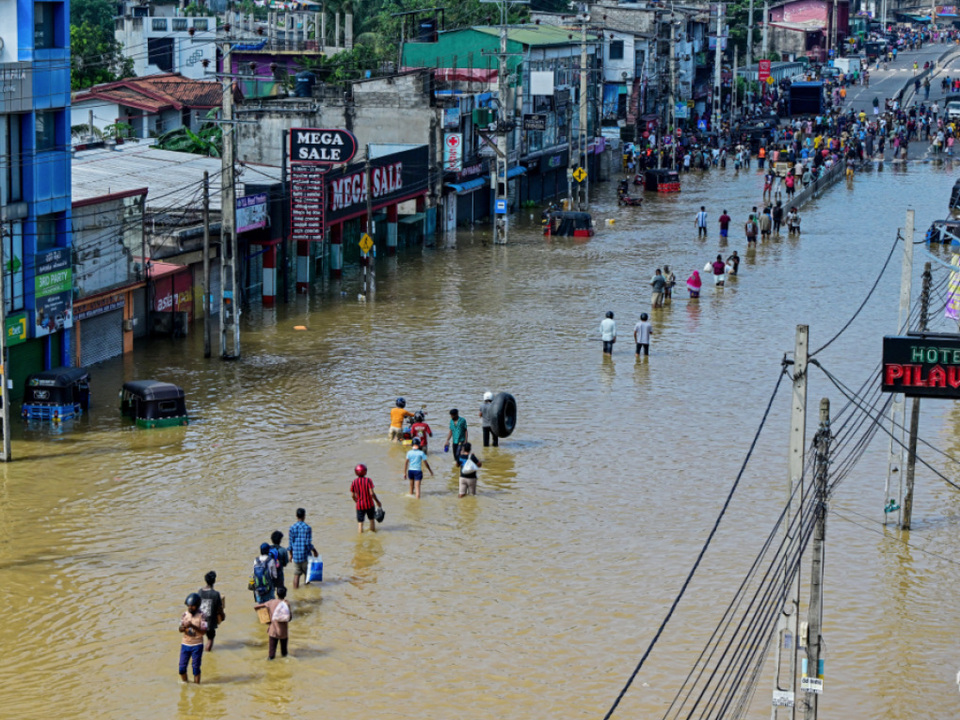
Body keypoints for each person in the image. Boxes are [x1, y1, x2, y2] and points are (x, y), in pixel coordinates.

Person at [255, 586, 292, 660]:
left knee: (271, 655)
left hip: (273, 630)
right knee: (284, 654)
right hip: (283, 632)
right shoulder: (286, 603)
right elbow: (290, 618)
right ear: (285, 594)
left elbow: (257, 607)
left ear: (277, 593)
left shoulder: (271, 602)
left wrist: (266, 620)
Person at [178, 593, 207, 684]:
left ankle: (196, 687)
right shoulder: (185, 615)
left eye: (192, 606)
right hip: (185, 644)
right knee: (181, 669)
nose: (190, 608)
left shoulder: (202, 616)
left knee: (195, 668)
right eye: (189, 606)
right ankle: (185, 684)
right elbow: (180, 628)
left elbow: (203, 632)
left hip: (197, 645)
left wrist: (192, 626)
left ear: (197, 605)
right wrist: (182, 628)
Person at [288, 507, 318, 589]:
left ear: (296, 516)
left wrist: (291, 555)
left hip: (296, 555)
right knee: (307, 573)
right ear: (304, 516)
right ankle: (307, 590)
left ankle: (296, 591)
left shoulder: (292, 528)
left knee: (297, 574)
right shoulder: (307, 528)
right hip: (305, 555)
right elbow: (308, 543)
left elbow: (290, 543)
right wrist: (314, 551)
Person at [197, 571, 225, 652]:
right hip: (210, 621)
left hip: (200, 619)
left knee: (199, 638)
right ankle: (208, 652)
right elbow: (220, 608)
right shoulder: (215, 594)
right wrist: (222, 616)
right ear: (214, 581)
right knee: (210, 638)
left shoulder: (200, 592)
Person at [350, 463, 382, 534]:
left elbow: (352, 495)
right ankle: (372, 534)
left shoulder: (354, 482)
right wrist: (377, 501)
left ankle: (360, 537)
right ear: (365, 471)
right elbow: (372, 493)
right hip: (369, 504)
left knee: (360, 522)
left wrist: (357, 501)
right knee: (371, 520)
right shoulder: (368, 480)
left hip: (359, 505)